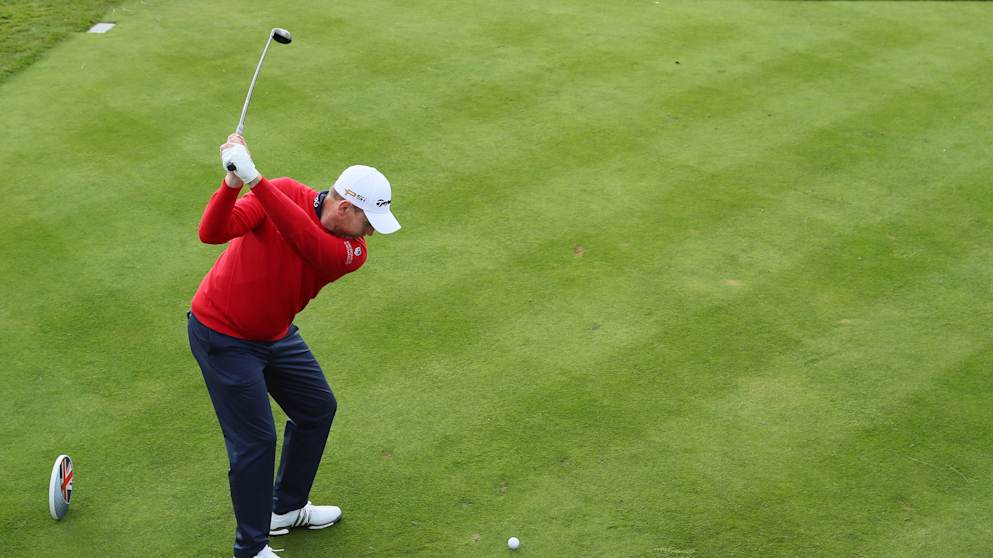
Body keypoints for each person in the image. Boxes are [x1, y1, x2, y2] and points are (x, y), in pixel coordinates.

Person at [187, 134, 400, 558]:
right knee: (256, 442)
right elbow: (212, 233)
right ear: (345, 208)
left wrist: (255, 179)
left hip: (274, 334)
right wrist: (232, 184)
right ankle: (251, 548)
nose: (372, 232)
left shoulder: (352, 251)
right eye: (370, 221)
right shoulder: (283, 192)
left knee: (317, 408)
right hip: (223, 335)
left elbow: (306, 240)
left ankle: (285, 509)